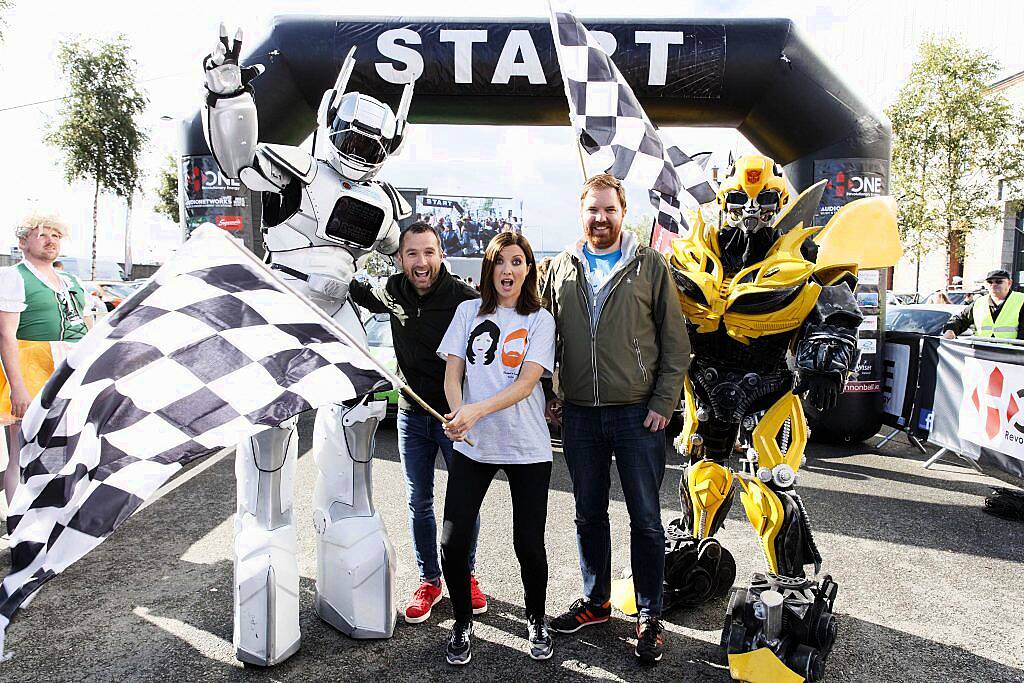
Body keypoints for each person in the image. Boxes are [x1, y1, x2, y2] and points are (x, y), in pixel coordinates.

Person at [540, 173, 688, 665]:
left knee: (645, 519)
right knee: (588, 514)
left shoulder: (650, 266)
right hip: (580, 415)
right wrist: (550, 391)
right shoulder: (561, 268)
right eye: (592, 210)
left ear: (623, 213)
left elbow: (675, 343)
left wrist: (664, 403)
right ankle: (596, 601)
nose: (600, 218)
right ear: (581, 213)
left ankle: (649, 614)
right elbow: (543, 338)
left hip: (637, 415)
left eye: (608, 209)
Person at [348, 222, 487, 624]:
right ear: (400, 258)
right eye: (412, 254)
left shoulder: (465, 298)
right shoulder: (392, 292)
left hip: (456, 416)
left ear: (441, 254)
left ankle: (466, 575)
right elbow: (354, 287)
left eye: (429, 252)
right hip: (411, 412)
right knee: (419, 501)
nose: (421, 262)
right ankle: (430, 580)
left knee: (462, 505)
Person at [438, 232, 556, 665]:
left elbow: (526, 385)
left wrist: (474, 411)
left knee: (528, 542)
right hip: (474, 446)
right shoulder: (468, 311)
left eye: (517, 261)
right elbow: (452, 376)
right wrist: (457, 414)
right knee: (452, 541)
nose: (508, 270)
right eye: (500, 262)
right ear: (489, 268)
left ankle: (537, 618)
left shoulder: (540, 320)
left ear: (528, 269)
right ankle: (463, 622)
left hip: (527, 447)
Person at [0, 211, 90, 523]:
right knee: (22, 452)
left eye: (55, 235)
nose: (50, 240)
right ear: (23, 243)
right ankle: (19, 525)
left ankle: (56, 519)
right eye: (42, 234)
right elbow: (6, 336)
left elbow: (86, 328)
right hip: (32, 368)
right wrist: (18, 388)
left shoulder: (71, 281)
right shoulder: (14, 277)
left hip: (69, 368)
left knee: (67, 448)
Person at [943, 269, 1024, 339]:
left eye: (999, 282)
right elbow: (961, 319)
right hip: (982, 352)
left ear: (1009, 283)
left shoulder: (1021, 300)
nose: (993, 285)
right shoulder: (979, 302)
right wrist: (950, 329)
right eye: (989, 282)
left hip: (1012, 353)